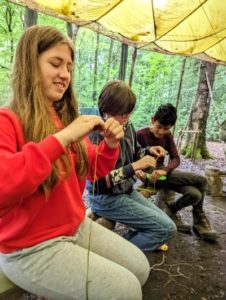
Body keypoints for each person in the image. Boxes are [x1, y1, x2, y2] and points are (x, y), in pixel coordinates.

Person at [0, 26, 151, 300]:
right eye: (55, 63)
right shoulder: (7, 120)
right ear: (28, 65)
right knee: (127, 291)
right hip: (31, 246)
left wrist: (110, 146)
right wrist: (62, 138)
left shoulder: (61, 120)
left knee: (141, 268)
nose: (65, 75)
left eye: (68, 67)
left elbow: (95, 168)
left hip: (74, 226)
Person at [86, 80, 176, 252]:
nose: (127, 118)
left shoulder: (127, 126)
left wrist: (148, 151)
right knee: (166, 229)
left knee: (168, 225)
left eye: (129, 113)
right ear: (105, 110)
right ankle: (120, 257)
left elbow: (135, 152)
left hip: (127, 191)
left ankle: (125, 248)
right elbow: (99, 183)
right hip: (106, 198)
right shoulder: (94, 134)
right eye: (123, 114)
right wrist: (134, 167)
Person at [137, 103, 218, 242]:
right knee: (202, 180)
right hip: (150, 176)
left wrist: (165, 169)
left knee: (195, 194)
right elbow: (132, 159)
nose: (162, 131)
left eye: (166, 128)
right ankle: (199, 219)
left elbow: (176, 158)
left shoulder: (167, 136)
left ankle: (171, 209)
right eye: (159, 127)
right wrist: (139, 172)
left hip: (163, 174)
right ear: (152, 120)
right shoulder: (140, 134)